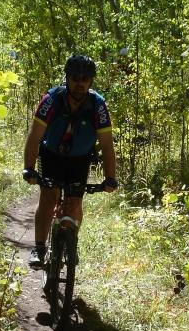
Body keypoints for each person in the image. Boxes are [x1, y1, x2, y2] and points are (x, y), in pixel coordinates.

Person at [22, 54, 118, 269]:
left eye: (85, 79)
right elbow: (34, 137)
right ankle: (39, 248)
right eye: (75, 78)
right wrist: (28, 168)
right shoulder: (51, 100)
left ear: (91, 81)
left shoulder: (98, 105)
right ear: (67, 79)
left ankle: (71, 243)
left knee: (75, 201)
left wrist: (110, 178)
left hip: (79, 158)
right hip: (51, 154)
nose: (80, 83)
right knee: (49, 196)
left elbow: (107, 146)